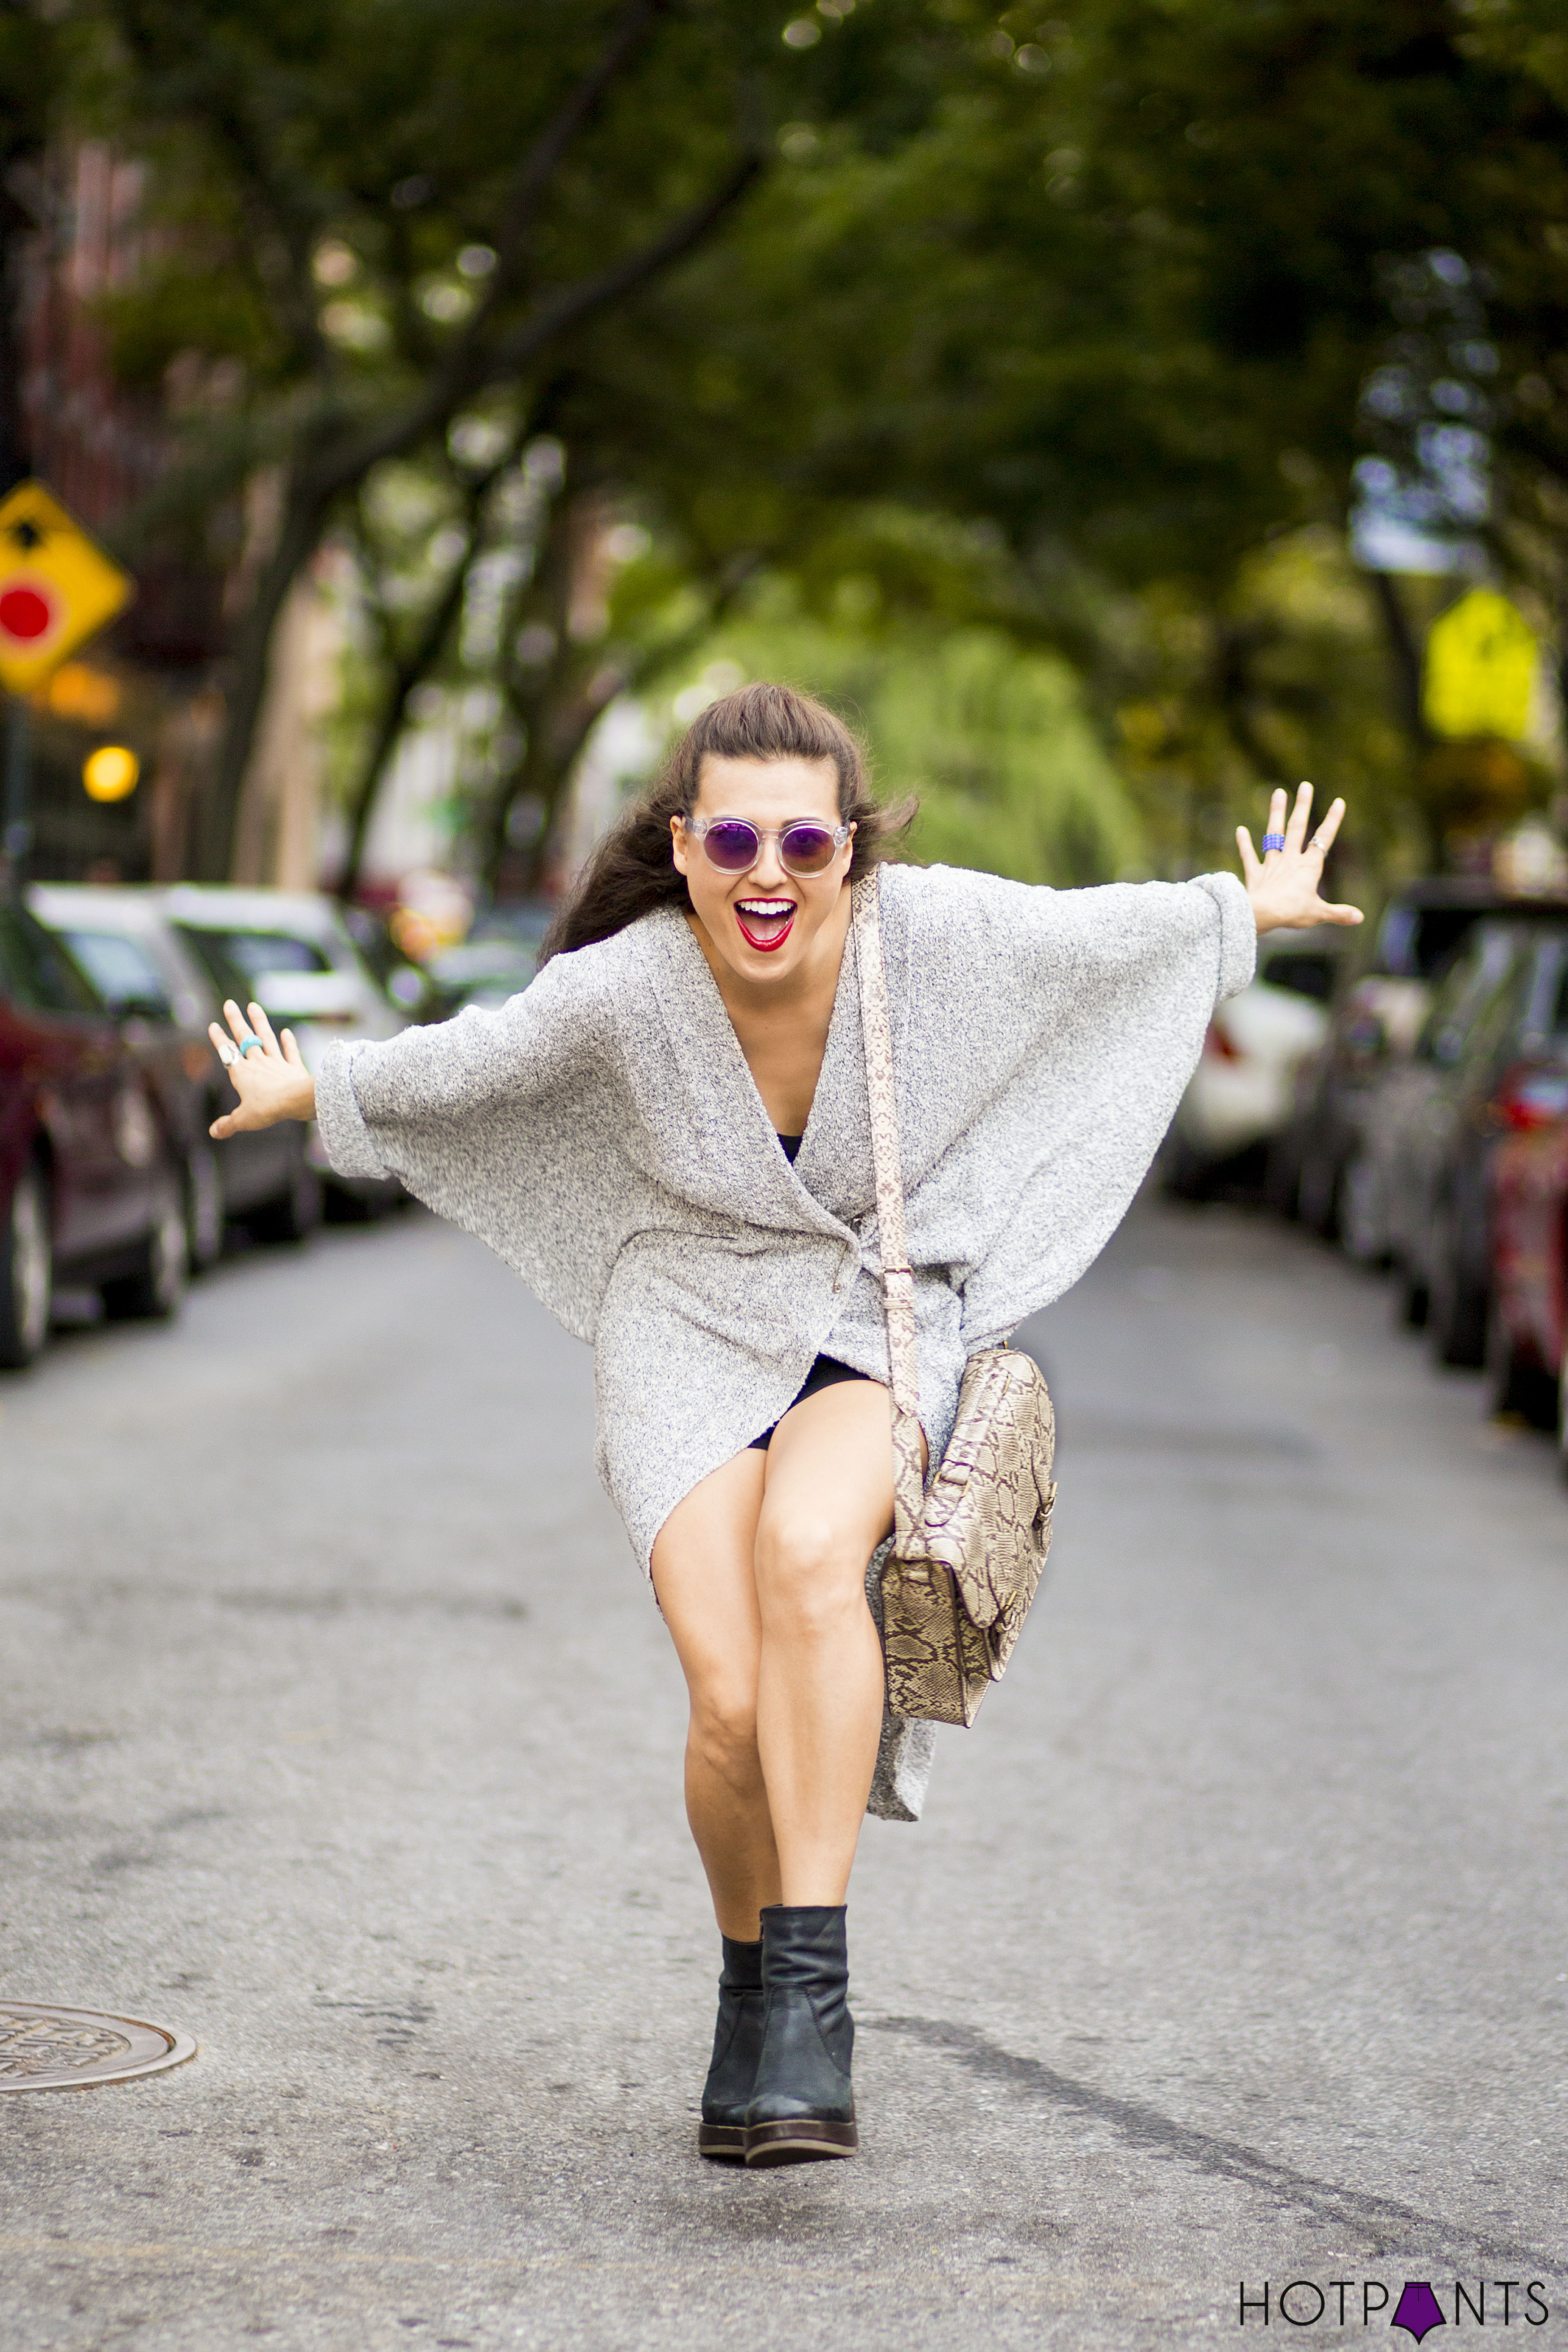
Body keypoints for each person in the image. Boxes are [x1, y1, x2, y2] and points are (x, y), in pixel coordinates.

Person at [209, 683, 1360, 2169]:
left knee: (817, 1554)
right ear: (683, 845)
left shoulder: (927, 932)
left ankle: (811, 2005)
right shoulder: (627, 984)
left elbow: (1094, 936)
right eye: (736, 840)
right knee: (731, 1701)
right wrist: (322, 1086)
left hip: (872, 1318)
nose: (771, 876)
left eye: (806, 843)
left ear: (851, 851)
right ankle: (747, 1993)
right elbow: (477, 1058)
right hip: (684, 1323)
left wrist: (1236, 911)